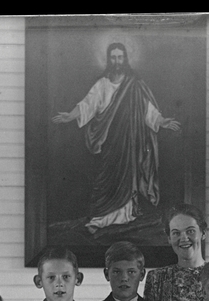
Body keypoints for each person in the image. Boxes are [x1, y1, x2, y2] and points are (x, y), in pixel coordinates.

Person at [51, 42, 181, 232]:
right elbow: (88, 104)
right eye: (113, 57)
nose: (117, 61)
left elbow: (147, 110)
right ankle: (102, 218)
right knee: (107, 179)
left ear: (125, 59)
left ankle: (125, 215)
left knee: (128, 178)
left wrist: (162, 121)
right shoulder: (102, 84)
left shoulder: (134, 85)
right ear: (109, 59)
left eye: (120, 57)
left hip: (129, 141)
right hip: (110, 140)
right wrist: (70, 116)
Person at [144, 203, 209, 301]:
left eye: (190, 231)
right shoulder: (156, 279)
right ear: (169, 238)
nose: (184, 238)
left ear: (203, 233)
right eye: (176, 233)